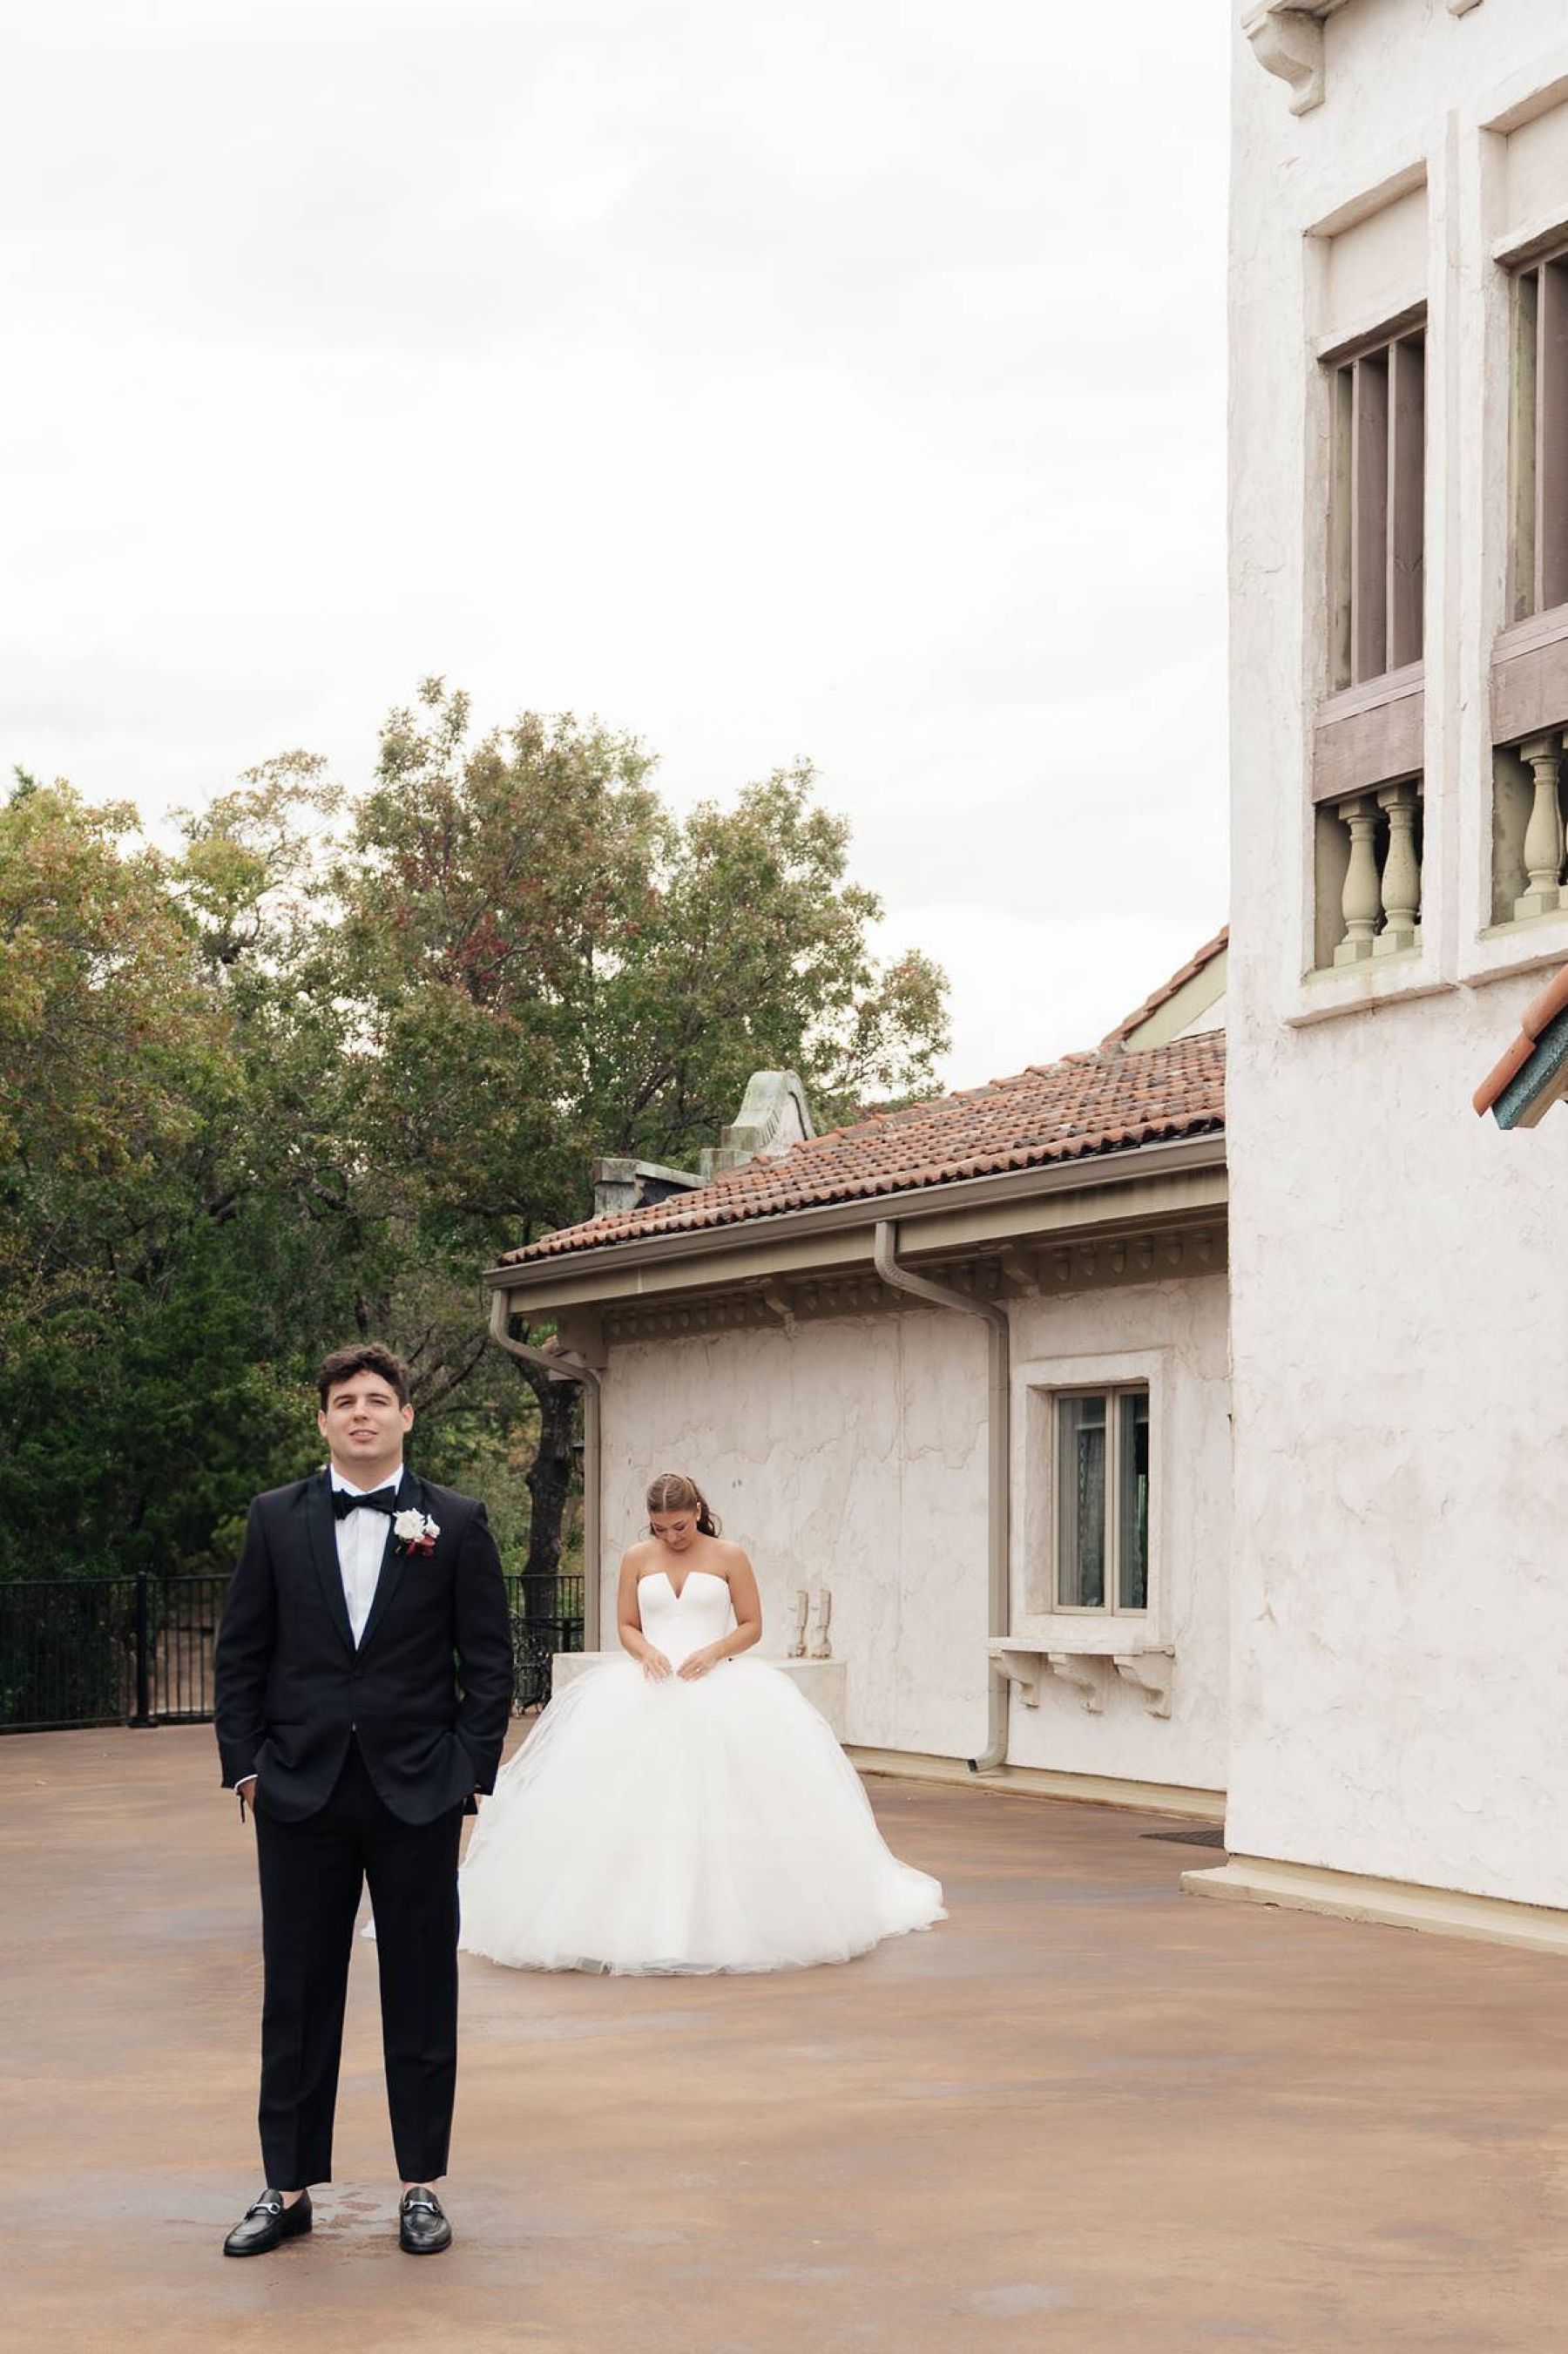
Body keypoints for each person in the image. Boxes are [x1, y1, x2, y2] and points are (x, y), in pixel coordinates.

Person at [213, 1343, 513, 2258]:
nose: (361, 1412)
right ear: (322, 1419)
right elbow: (240, 1656)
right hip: (298, 1792)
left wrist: (465, 1767)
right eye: (344, 1400)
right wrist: (248, 1766)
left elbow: (490, 1665)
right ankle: (288, 2184)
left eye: (378, 1398)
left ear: (408, 1415)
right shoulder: (274, 1518)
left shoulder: (453, 1522)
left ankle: (420, 2184)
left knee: (421, 1987)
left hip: (417, 1793)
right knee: (295, 1994)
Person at [457, 1471, 943, 1975]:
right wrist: (645, 1651)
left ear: (696, 1512)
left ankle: (729, 1919)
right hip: (648, 1686)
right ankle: (636, 1921)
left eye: (679, 1527)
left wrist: (713, 1652)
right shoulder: (636, 1559)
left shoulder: (729, 1555)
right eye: (660, 1529)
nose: (670, 1538)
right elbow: (626, 1623)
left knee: (730, 1801)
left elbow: (754, 1624)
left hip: (717, 1684)